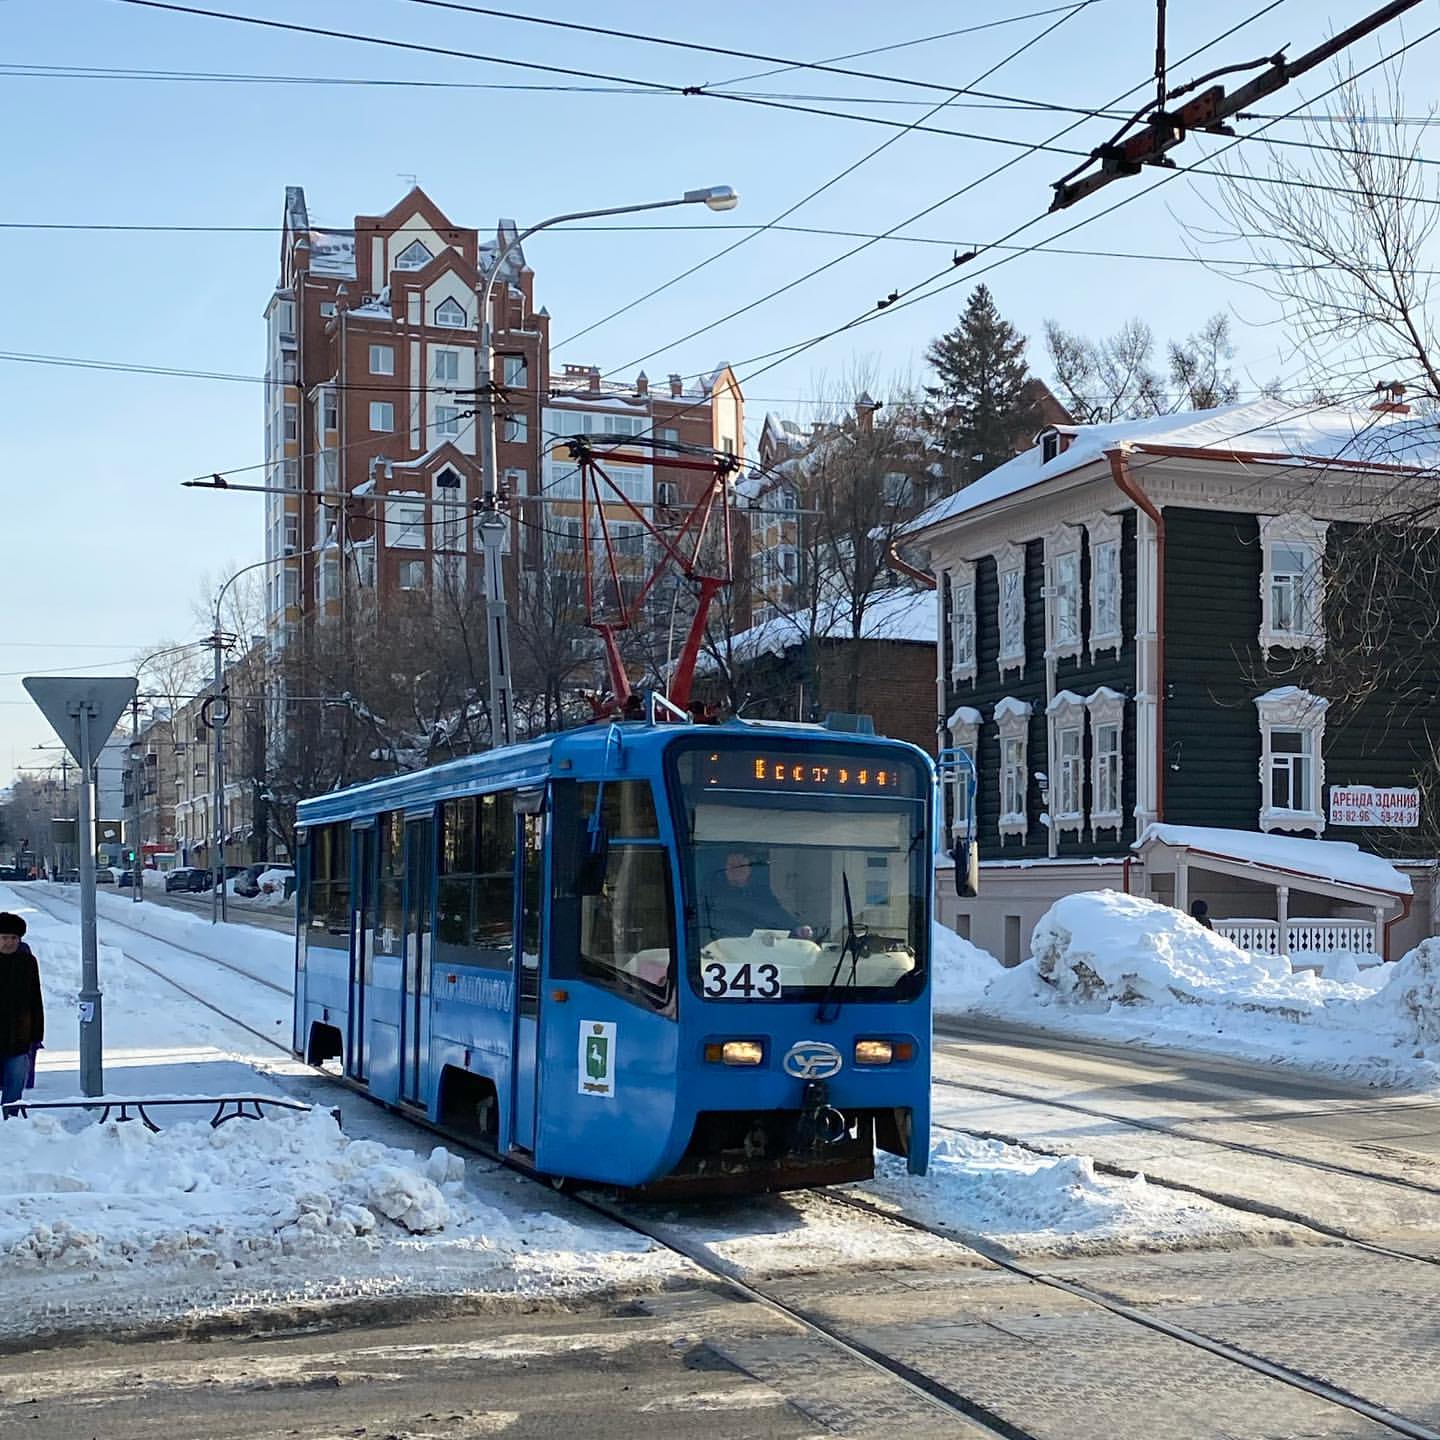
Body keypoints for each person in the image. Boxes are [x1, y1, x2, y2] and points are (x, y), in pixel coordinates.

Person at [702, 850, 800, 940]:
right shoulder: (712, 893)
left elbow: (777, 915)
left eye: (741, 866)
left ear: (749, 869)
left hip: (758, 948)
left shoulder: (762, 893)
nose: (736, 870)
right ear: (725, 869)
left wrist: (797, 929)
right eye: (732, 866)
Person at [0, 913, 43, 1111]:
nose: (9, 942)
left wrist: (36, 1035)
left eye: (14, 938)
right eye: (4, 937)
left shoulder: (27, 962)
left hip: (18, 1038)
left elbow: (35, 999)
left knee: (15, 1085)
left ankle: (11, 1123)